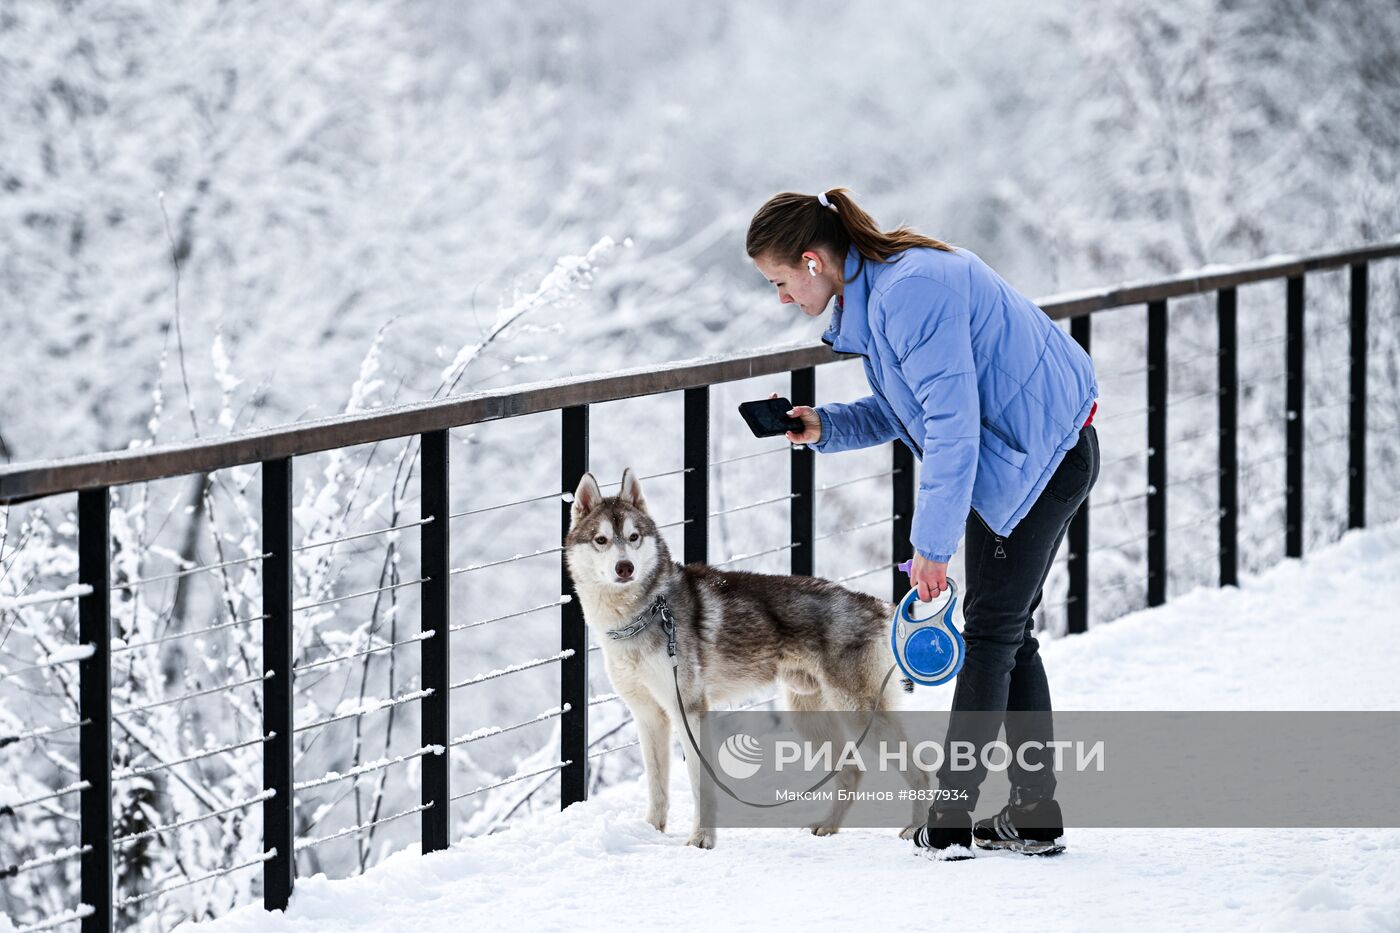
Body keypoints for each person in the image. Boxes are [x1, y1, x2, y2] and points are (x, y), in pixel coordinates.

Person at [746, 188, 1100, 859]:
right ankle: (1032, 811)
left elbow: (954, 425)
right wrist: (825, 426)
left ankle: (950, 816)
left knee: (994, 633)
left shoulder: (909, 292)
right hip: (1020, 456)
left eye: (781, 281)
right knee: (1008, 631)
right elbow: (907, 407)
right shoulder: (880, 294)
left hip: (1038, 458)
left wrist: (929, 549)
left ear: (814, 261)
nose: (783, 299)